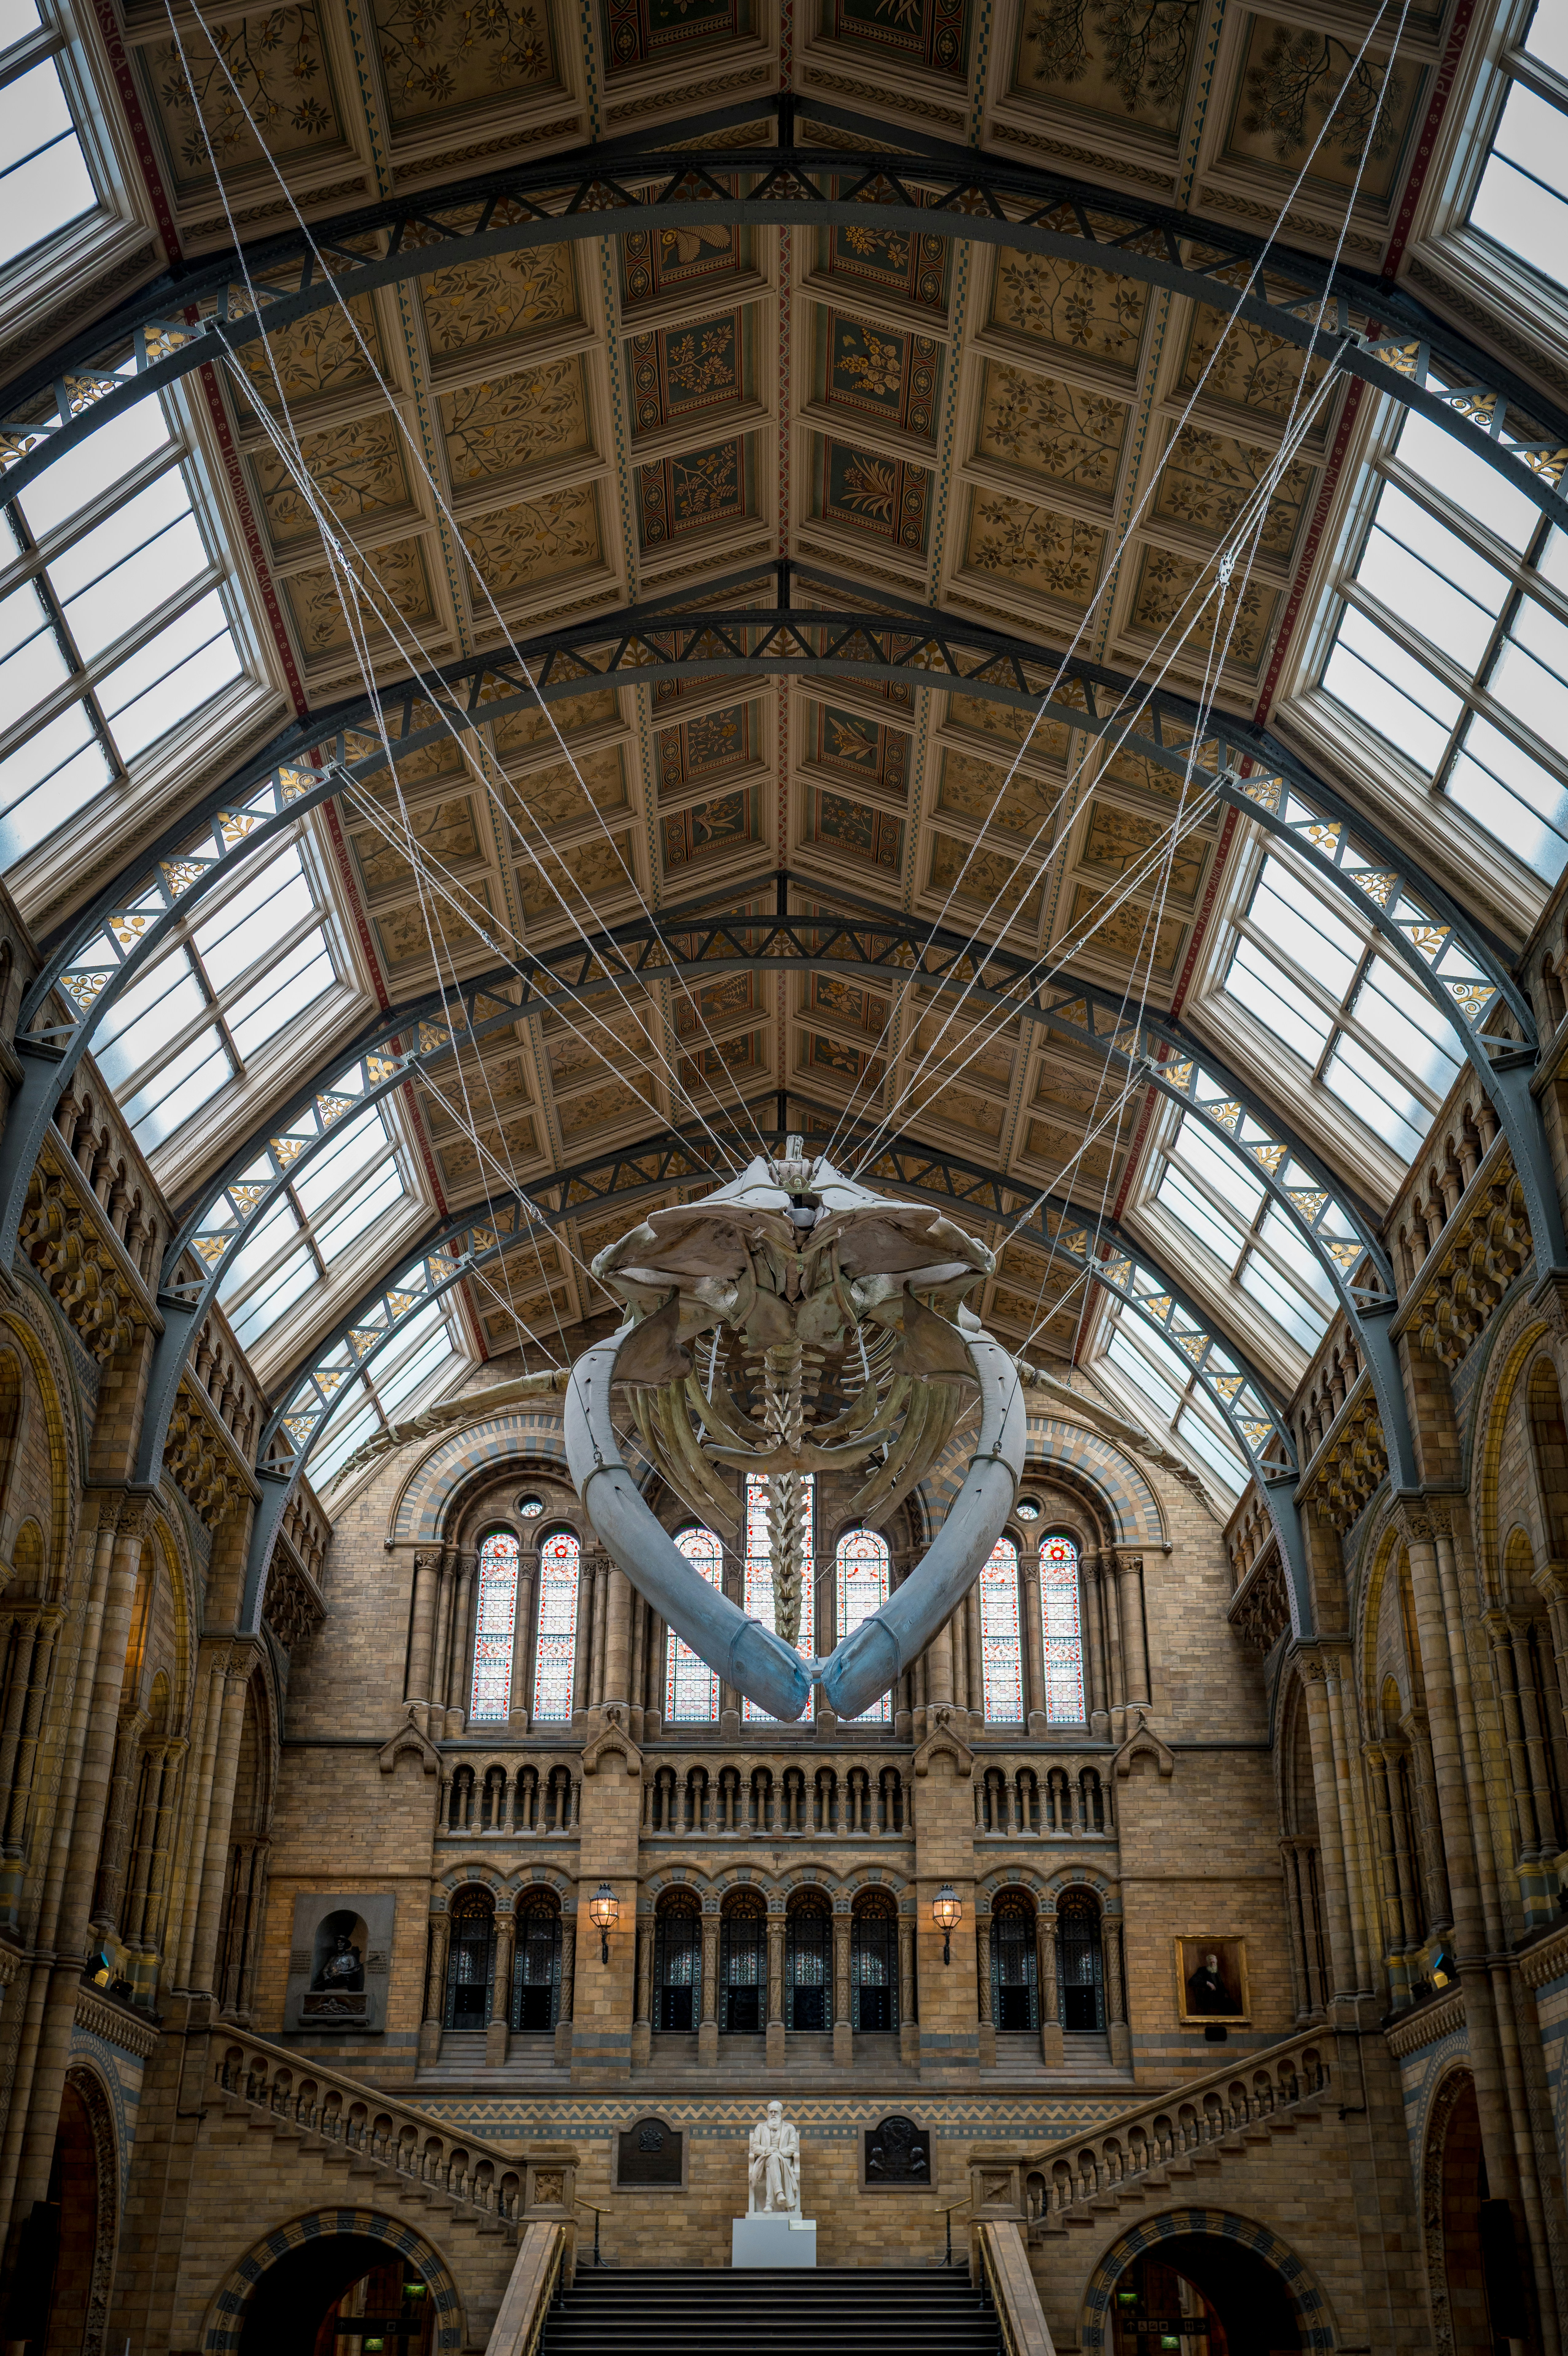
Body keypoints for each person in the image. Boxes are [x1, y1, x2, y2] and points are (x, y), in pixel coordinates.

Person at [747, 2099, 801, 2214]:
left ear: (781, 2113)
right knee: (772, 2158)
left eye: (775, 2112)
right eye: (770, 2112)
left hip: (783, 2160)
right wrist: (766, 2150)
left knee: (773, 2162)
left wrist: (780, 2152)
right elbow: (754, 2147)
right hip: (764, 2159)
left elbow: (793, 2147)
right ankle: (779, 2193)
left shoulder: (790, 2128)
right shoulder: (761, 2128)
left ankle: (770, 2204)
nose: (773, 2114)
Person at [313, 1929, 365, 1993]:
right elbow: (325, 1971)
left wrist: (342, 1974)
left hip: (344, 1983)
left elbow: (354, 1972)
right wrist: (326, 1977)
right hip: (331, 1984)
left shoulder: (350, 1958)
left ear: (345, 1944)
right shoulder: (333, 1958)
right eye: (339, 1942)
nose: (340, 1944)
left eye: (342, 1942)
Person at [1186, 1947, 1233, 2016]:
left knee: (1232, 2004)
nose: (1212, 1964)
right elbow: (1192, 1981)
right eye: (1210, 1962)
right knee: (1228, 2005)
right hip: (1208, 1998)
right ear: (1208, 1963)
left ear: (1216, 1963)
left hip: (1220, 1996)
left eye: (1214, 1962)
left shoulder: (1217, 1971)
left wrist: (1225, 1993)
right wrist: (1207, 1983)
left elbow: (1221, 1985)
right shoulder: (1202, 1971)